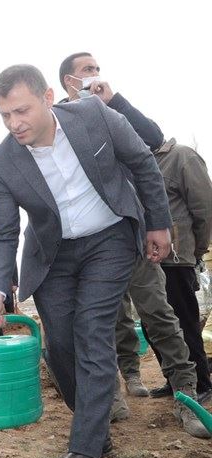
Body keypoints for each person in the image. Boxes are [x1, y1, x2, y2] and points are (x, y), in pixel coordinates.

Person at [0, 64, 172, 458]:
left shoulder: (94, 117)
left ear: (48, 97)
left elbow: (141, 161)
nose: (15, 123)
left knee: (91, 331)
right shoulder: (1, 162)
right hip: (54, 257)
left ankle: (84, 455)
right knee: (61, 345)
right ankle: (95, 428)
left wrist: (158, 223)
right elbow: (5, 231)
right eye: (5, 115)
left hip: (110, 239)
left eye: (22, 110)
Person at [58, 53, 205, 429]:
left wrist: (114, 101)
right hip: (90, 241)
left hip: (132, 232)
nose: (94, 75)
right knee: (104, 320)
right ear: (67, 83)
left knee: (158, 311)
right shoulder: (56, 120)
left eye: (97, 69)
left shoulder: (113, 113)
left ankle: (186, 394)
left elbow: (154, 140)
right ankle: (114, 393)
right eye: (86, 70)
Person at [147, 138, 212, 406]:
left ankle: (200, 384)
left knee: (184, 322)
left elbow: (205, 208)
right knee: (153, 325)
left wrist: (197, 250)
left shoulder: (182, 156)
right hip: (149, 261)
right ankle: (175, 379)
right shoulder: (141, 162)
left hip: (177, 258)